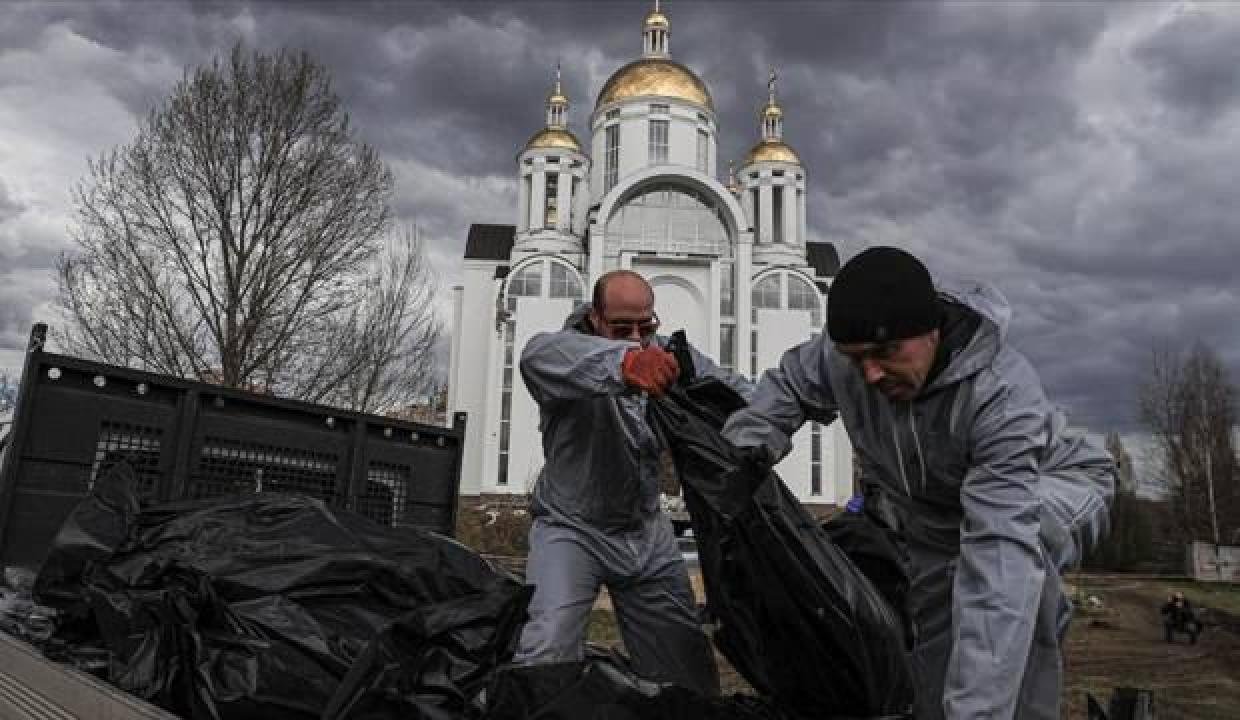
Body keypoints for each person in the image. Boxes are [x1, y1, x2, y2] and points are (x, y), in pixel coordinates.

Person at [722, 247, 1116, 719]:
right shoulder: (845, 360)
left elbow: (998, 563)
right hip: (936, 521)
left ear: (931, 331)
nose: (870, 374)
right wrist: (750, 444)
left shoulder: (1001, 396)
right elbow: (790, 383)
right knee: (937, 646)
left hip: (1055, 484)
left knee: (1018, 590)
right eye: (857, 358)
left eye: (886, 354)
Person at [514, 269, 752, 695]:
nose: (636, 337)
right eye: (622, 328)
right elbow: (536, 356)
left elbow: (733, 389)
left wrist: (778, 412)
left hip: (646, 535)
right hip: (572, 530)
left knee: (687, 673)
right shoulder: (565, 355)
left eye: (646, 326)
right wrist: (624, 364)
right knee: (545, 652)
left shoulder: (665, 356)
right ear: (594, 319)